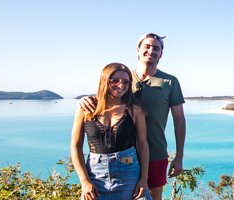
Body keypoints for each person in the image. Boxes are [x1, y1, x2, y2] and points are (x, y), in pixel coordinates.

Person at [79, 33, 187, 200]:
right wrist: (86, 99)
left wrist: (179, 156)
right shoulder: (123, 78)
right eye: (147, 46)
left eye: (156, 48)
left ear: (161, 54)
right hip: (121, 154)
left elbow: (179, 119)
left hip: (154, 152)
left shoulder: (169, 82)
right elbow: (104, 101)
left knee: (152, 197)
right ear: (138, 49)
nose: (151, 51)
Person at [71, 63, 151, 200]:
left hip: (129, 174)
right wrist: (84, 181)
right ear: (104, 81)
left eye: (126, 82)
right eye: (115, 80)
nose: (121, 85)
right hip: (95, 175)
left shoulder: (135, 110)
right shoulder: (86, 108)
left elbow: (142, 144)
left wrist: (144, 179)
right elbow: (75, 146)